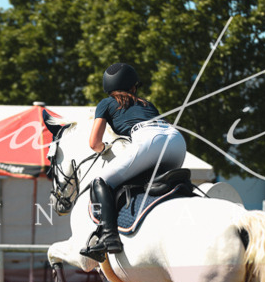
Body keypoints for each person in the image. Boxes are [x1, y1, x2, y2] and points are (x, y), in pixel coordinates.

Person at [80, 63, 187, 261]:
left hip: (149, 140)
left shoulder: (106, 103)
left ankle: (109, 236)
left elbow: (94, 143)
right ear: (133, 87)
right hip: (177, 140)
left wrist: (105, 149)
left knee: (99, 181)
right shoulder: (147, 104)